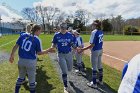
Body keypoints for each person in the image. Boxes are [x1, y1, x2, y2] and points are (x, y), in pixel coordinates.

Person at [9, 25, 50, 93]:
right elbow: (39, 53)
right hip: (30, 62)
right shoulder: (37, 39)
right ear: (37, 31)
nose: (40, 33)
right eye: (40, 31)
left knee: (20, 77)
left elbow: (16, 46)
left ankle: (16, 91)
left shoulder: (23, 35)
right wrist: (48, 50)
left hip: (21, 60)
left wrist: (12, 55)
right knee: (32, 80)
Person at [48, 22, 77, 93]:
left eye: (65, 28)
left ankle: (67, 77)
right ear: (60, 28)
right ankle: (65, 87)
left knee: (70, 69)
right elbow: (54, 43)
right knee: (64, 71)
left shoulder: (70, 35)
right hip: (61, 55)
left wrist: (76, 47)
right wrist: (52, 47)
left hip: (69, 54)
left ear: (66, 28)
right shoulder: (56, 35)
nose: (63, 29)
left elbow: (72, 43)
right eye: (62, 28)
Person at [79, 20, 103, 88]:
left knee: (94, 67)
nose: (92, 25)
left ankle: (94, 83)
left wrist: (82, 49)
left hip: (95, 50)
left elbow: (92, 45)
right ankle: (100, 81)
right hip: (100, 50)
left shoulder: (94, 32)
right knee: (99, 65)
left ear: (95, 25)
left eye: (93, 24)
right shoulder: (101, 31)